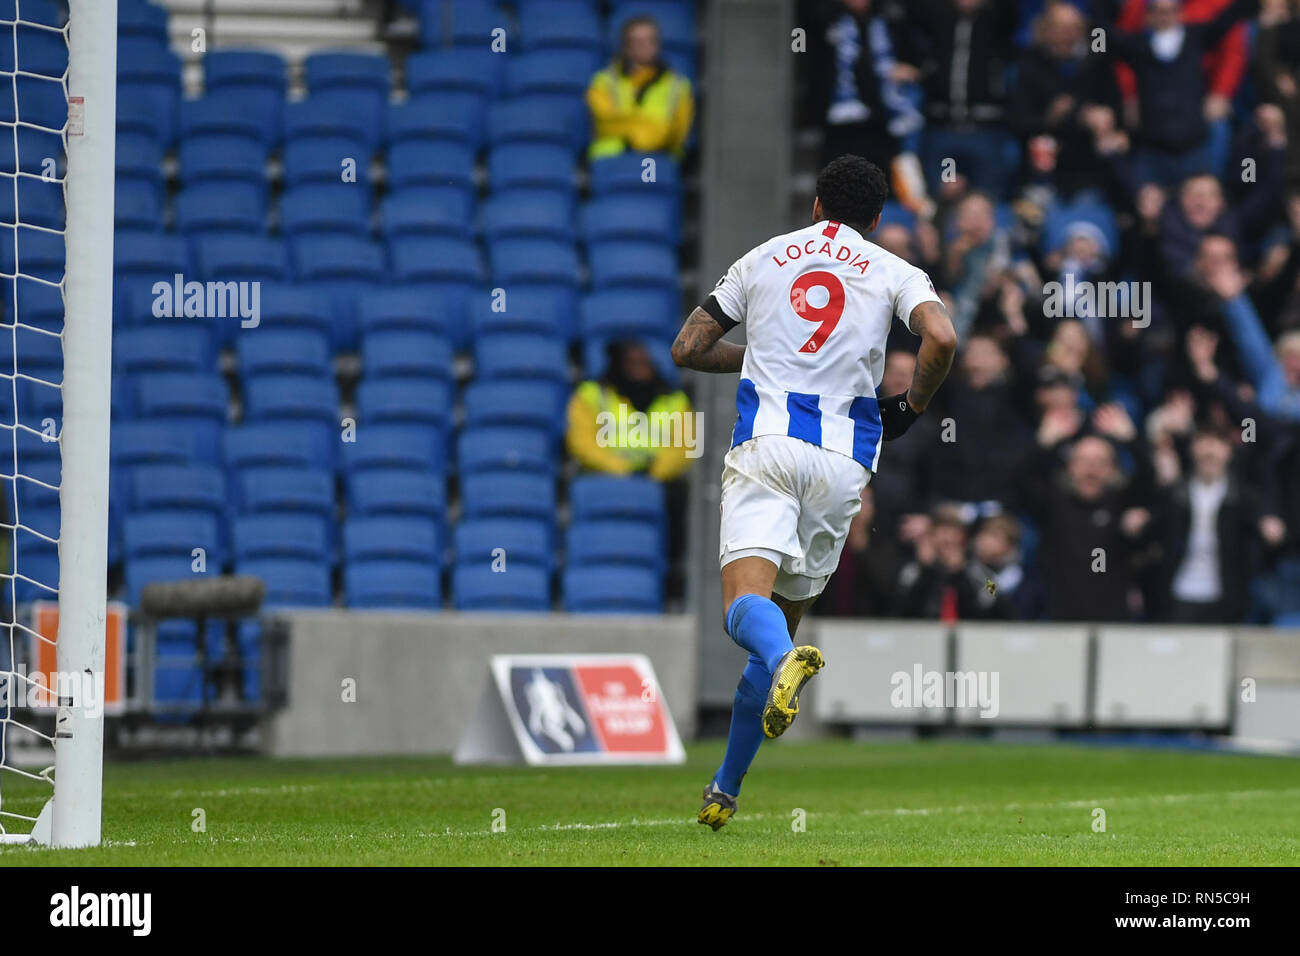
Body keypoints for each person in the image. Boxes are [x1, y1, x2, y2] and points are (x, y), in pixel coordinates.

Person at [671, 154, 956, 829]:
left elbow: (687, 346)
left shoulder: (765, 257)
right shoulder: (893, 269)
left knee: (745, 608)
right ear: (877, 219)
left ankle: (781, 662)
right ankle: (725, 788)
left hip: (768, 446)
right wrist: (912, 407)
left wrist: (770, 353)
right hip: (843, 464)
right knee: (784, 614)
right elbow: (941, 336)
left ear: (816, 207)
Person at [585, 16, 694, 161]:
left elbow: (678, 133)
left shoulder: (678, 86)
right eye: (637, 41)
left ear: (658, 44)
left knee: (648, 177)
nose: (644, 46)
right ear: (626, 46)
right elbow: (606, 124)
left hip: (658, 158)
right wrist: (652, 127)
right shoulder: (603, 82)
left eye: (650, 40)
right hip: (613, 158)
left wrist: (630, 125)